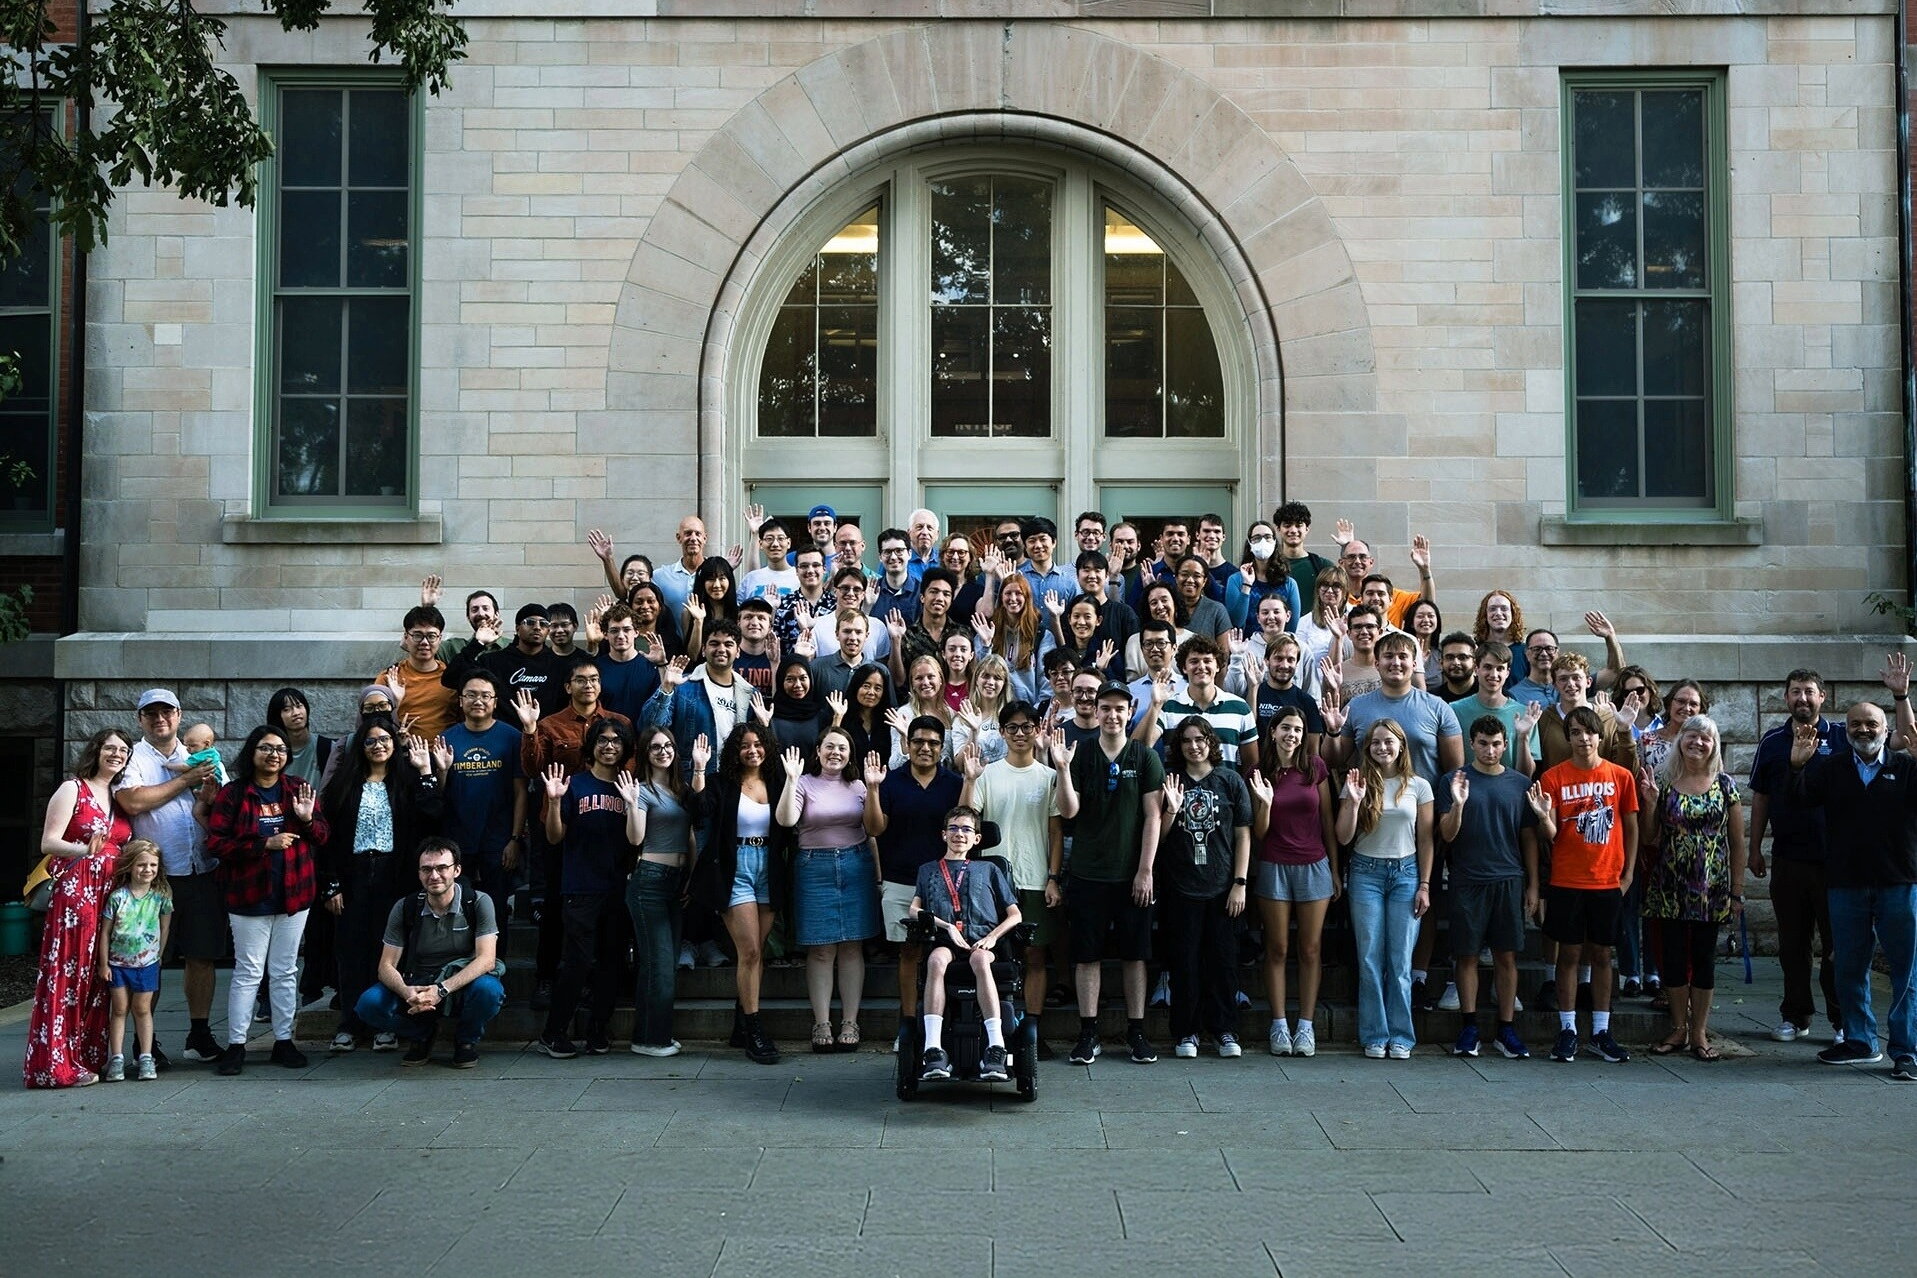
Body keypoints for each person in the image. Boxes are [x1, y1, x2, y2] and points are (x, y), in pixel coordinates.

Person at [1788, 655, 1917, 1077]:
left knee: (1905, 968)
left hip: (1899, 883)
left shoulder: (1905, 767)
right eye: (1855, 725)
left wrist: (1901, 695)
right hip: (1845, 885)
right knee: (1848, 965)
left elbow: (1911, 737)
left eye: (1872, 725)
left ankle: (1906, 1050)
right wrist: (1798, 764)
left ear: (1886, 731)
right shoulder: (1831, 768)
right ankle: (1861, 1041)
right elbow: (1802, 801)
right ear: (1845, 731)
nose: (1863, 730)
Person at [203, 724, 330, 1076]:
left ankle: (284, 1041)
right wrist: (263, 845)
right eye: (265, 748)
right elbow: (215, 844)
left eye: (280, 749)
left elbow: (322, 835)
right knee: (248, 971)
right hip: (248, 898)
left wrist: (305, 819)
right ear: (252, 752)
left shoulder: (298, 790)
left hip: (295, 894)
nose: (274, 754)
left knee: (285, 970)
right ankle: (237, 1045)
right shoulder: (233, 794)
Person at [318, 716, 443, 1052]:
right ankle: (350, 1022)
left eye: (385, 739)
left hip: (394, 873)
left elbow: (433, 816)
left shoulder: (404, 782)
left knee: (388, 949)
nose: (379, 746)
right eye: (371, 741)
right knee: (350, 949)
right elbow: (327, 838)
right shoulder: (345, 785)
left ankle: (383, 1023)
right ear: (361, 746)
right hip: (353, 873)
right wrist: (331, 883)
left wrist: (426, 771)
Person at [960, 701, 1076, 1055]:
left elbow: (1057, 832)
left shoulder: (1048, 775)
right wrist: (969, 778)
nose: (1020, 734)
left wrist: (1053, 878)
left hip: (1035, 879)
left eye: (1027, 727)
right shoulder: (989, 773)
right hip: (991, 885)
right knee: (992, 957)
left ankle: (1032, 1029)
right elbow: (966, 816)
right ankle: (995, 1028)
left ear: (1037, 729)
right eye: (1012, 727)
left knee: (1036, 956)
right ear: (1003, 732)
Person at [519, 656, 634, 1010]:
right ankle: (546, 978)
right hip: (559, 826)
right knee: (554, 906)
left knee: (609, 910)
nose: (588, 685)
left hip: (605, 828)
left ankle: (599, 981)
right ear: (568, 686)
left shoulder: (619, 724)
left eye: (594, 679)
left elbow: (628, 772)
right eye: (581, 679)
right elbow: (532, 767)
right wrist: (529, 730)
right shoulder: (550, 725)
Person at [25, 728, 137, 1089]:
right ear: (96, 751)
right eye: (110, 748)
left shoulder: (119, 797)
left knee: (98, 979)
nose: (117, 754)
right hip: (76, 896)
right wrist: (85, 850)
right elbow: (49, 842)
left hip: (109, 896)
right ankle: (54, 1066)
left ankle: (87, 1056)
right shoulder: (73, 788)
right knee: (68, 977)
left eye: (123, 750)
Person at [114, 689, 222, 1065]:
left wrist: (210, 791)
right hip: (154, 879)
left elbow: (222, 797)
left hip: (201, 869)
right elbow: (132, 801)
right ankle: (147, 1042)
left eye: (167, 712)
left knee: (202, 956)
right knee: (149, 960)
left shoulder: (196, 751)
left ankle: (200, 1033)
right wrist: (185, 780)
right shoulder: (135, 757)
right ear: (140, 719)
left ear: (178, 715)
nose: (160, 719)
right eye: (151, 713)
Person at [1065, 681, 1166, 1066]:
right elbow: (1068, 812)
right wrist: (1060, 767)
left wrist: (1145, 870)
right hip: (1088, 871)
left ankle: (1136, 1031)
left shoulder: (1144, 757)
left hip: (1130, 874)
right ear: (1095, 709)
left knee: (1135, 955)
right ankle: (1087, 1033)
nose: (1111, 715)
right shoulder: (1081, 754)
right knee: (1087, 956)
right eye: (1104, 707)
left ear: (1130, 710)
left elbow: (1153, 816)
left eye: (1118, 709)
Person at [1533, 706, 1639, 1065]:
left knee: (1603, 955)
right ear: (1568, 737)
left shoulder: (1620, 776)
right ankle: (1567, 1030)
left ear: (1600, 736)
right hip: (1567, 880)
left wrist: (1627, 875)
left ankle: (1600, 1030)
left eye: (1589, 732)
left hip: (1607, 881)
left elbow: (1632, 825)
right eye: (1576, 732)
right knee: (1569, 955)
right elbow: (1550, 834)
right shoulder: (1553, 778)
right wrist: (1543, 815)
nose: (1583, 739)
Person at [1639, 715, 1745, 1061]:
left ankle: (1699, 1030)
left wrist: (1737, 891)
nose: (1698, 742)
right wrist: (1651, 802)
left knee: (1704, 959)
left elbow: (1737, 843)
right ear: (1680, 740)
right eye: (1691, 736)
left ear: (1714, 745)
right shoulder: (1665, 782)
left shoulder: (1725, 784)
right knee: (1672, 958)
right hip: (1669, 885)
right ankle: (1678, 1027)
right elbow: (1651, 836)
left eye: (1706, 737)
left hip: (1711, 888)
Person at [1749, 668, 1845, 1044]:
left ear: (1822, 696)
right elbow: (1760, 797)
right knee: (1792, 944)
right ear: (1785, 699)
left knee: (1838, 946)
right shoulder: (1772, 742)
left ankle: (1843, 1022)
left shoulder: (1841, 737)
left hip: (1836, 862)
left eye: (1809, 692)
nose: (1802, 699)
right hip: (1789, 858)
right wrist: (1755, 848)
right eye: (1795, 693)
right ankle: (1795, 1016)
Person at [1434, 717, 1540, 1061]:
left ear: (1505, 744)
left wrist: (1533, 885)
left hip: (1508, 879)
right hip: (1467, 879)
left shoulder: (1520, 784)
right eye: (1483, 743)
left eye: (1496, 744)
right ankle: (1469, 1026)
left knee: (1506, 956)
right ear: (1471, 743)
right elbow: (1446, 835)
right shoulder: (1453, 780)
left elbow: (1528, 839)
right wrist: (1459, 804)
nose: (1490, 750)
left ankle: (1506, 1028)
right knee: (1465, 955)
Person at [688, 723, 792, 1064]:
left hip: (769, 868)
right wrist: (700, 768)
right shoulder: (722, 783)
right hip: (735, 867)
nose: (752, 750)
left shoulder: (777, 782)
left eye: (758, 744)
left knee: (757, 952)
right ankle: (755, 1030)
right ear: (735, 750)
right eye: (745, 745)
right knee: (748, 952)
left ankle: (740, 1023)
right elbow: (699, 810)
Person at [536, 717, 638, 1057]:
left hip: (617, 887)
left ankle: (598, 1029)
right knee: (577, 961)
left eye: (616, 741)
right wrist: (553, 803)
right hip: (580, 887)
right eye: (603, 740)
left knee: (612, 961)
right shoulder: (574, 784)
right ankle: (554, 1031)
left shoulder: (630, 786)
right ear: (591, 746)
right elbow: (554, 836)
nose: (610, 746)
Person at [355, 837, 505, 1067]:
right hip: (417, 981)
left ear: (457, 870)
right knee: (369, 1004)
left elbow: (486, 960)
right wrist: (406, 992)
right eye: (426, 869)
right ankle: (421, 1034)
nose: (434, 876)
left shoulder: (477, 902)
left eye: (442, 868)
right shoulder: (406, 907)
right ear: (418, 873)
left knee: (489, 991)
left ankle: (465, 1040)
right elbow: (385, 967)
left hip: (460, 982)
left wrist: (442, 990)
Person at [1336, 719, 1434, 1059]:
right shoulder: (1357, 782)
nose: (1382, 748)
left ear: (1401, 745)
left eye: (1388, 742)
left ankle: (1402, 1036)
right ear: (1367, 748)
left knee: (1400, 960)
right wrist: (1352, 801)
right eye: (1375, 742)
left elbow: (1425, 839)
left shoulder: (1419, 786)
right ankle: (1375, 1034)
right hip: (1366, 873)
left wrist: (1424, 883)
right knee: (1369, 957)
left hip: (1406, 874)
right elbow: (1343, 837)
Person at [778, 727, 880, 1052]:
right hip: (814, 868)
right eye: (830, 746)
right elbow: (785, 820)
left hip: (856, 864)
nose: (836, 752)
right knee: (821, 949)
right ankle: (821, 1022)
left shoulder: (859, 785)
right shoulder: (804, 782)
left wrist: (878, 876)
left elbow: (872, 831)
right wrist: (791, 780)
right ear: (818, 750)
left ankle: (850, 1021)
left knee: (852, 946)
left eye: (843, 747)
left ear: (851, 754)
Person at [1157, 717, 1254, 1058]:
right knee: (1185, 963)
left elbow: (1243, 834)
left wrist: (1240, 883)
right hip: (1181, 887)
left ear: (1211, 742)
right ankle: (1186, 1032)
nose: (1193, 746)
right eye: (1186, 740)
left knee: (1223, 963)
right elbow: (1160, 837)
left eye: (1200, 739)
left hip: (1223, 887)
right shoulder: (1171, 780)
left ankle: (1224, 1030)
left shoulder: (1229, 781)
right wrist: (1170, 808)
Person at [866, 717, 963, 1042]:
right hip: (900, 880)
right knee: (908, 953)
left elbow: (966, 827)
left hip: (944, 884)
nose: (925, 748)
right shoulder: (891, 782)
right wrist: (874, 789)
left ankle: (941, 1026)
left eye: (933, 742)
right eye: (918, 741)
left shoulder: (953, 783)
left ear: (941, 747)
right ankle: (908, 1025)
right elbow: (874, 829)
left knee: (943, 955)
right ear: (906, 744)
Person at [912, 805, 1024, 1082]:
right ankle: (933, 1048)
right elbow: (914, 910)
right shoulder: (928, 871)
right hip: (946, 941)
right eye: (953, 828)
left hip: (983, 941)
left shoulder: (989, 869)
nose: (959, 833)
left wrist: (992, 937)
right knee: (936, 960)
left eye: (966, 829)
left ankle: (995, 1047)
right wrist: (946, 925)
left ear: (976, 838)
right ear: (943, 834)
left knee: (979, 960)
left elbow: (1015, 914)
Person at [1248, 706, 1336, 1057]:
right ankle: (1280, 1023)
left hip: (1314, 864)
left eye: (1298, 729)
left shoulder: (1315, 767)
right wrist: (1266, 805)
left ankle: (1306, 1025)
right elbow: (1258, 832)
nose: (1293, 735)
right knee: (1278, 948)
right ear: (1272, 731)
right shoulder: (1259, 771)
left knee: (1311, 948)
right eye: (1286, 728)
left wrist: (1335, 867)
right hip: (1274, 865)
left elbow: (1328, 819)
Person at [619, 728, 709, 1057]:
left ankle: (646, 1036)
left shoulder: (681, 790)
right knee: (658, 963)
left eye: (668, 745)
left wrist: (691, 876)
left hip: (677, 879)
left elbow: (692, 832)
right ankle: (653, 1039)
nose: (663, 751)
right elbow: (635, 838)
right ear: (645, 753)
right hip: (650, 880)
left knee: (661, 963)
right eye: (656, 747)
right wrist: (630, 805)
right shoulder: (641, 790)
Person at [437, 671, 525, 960]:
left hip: (498, 840)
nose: (478, 700)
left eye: (485, 695)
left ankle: (494, 969)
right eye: (471, 695)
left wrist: (515, 838)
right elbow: (436, 794)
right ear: (461, 700)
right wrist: (442, 770)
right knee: (457, 907)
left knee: (496, 907)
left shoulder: (511, 737)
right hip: (457, 840)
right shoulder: (446, 738)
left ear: (495, 701)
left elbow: (521, 791)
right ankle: (459, 971)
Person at [95, 839, 171, 1082]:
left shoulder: (161, 897)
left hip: (147, 963)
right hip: (118, 964)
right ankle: (116, 1058)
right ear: (129, 866)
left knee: (142, 1009)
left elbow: (164, 927)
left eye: (152, 865)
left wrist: (158, 956)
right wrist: (104, 963)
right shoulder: (118, 897)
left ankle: (146, 1057)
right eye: (141, 865)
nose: (147, 870)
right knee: (118, 1009)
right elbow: (105, 932)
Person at [1136, 635, 1258, 773]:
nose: (1201, 666)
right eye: (1194, 661)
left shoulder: (1240, 708)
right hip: (1178, 792)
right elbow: (1140, 748)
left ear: (1217, 666)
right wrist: (1155, 705)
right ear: (1184, 668)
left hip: (1226, 792)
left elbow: (1251, 766)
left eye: (1207, 661)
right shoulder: (1168, 706)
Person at [642, 624, 749, 779]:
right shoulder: (683, 685)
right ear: (703, 650)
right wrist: (666, 688)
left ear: (738, 651)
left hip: (733, 780)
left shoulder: (749, 693)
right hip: (689, 779)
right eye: (714, 643)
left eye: (728, 644)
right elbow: (651, 728)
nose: (721, 649)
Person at [444, 603, 572, 716]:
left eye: (543, 624)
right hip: (504, 736)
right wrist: (478, 644)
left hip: (547, 738)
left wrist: (592, 646)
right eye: (530, 622)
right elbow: (450, 678)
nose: (537, 627)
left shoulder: (560, 665)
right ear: (517, 628)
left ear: (548, 630)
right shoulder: (493, 661)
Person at [1446, 642, 1542, 775]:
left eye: (1500, 669)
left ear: (1508, 672)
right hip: (1467, 791)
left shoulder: (1524, 714)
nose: (1494, 674)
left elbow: (1526, 775)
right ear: (1476, 669)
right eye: (1487, 667)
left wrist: (1523, 736)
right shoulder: (1454, 710)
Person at [375, 606, 459, 740]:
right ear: (406, 637)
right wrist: (395, 702)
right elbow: (374, 724)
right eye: (418, 635)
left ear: (440, 639)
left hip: (446, 754)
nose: (424, 642)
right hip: (403, 754)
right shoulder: (389, 678)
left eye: (431, 636)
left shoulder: (453, 677)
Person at [976, 571, 1054, 705]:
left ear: (1027, 597)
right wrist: (986, 645)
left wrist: (1036, 712)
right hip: (994, 709)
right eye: (1007, 593)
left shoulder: (1041, 635)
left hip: (1029, 711)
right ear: (1001, 598)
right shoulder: (988, 631)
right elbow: (980, 673)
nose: (1013, 598)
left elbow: (1046, 681)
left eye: (1018, 593)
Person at [1337, 535, 1433, 628]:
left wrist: (1424, 570)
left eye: (1362, 557)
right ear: (1341, 563)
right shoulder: (1336, 597)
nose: (1357, 561)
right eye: (1351, 557)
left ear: (1371, 562)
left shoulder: (1391, 596)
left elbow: (1427, 603)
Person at [1224, 520, 1301, 633]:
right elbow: (1237, 623)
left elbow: (1292, 627)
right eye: (1256, 538)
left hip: (1279, 647)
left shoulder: (1289, 584)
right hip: (1247, 646)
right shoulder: (1236, 580)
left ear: (1274, 542)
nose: (1262, 541)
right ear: (1250, 544)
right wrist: (1246, 585)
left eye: (1267, 537)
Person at [590, 603, 662, 723]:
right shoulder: (596, 669)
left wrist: (662, 665)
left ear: (636, 632)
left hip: (643, 737)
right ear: (605, 635)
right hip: (608, 737)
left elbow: (662, 708)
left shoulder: (651, 666)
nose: (621, 636)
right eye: (614, 631)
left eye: (627, 630)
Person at [1272, 501, 1337, 606]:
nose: (1293, 530)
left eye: (1298, 525)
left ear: (1307, 529)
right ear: (1278, 529)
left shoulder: (1323, 566)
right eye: (1287, 525)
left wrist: (1346, 547)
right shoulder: (1269, 565)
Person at [1124, 581, 1192, 681]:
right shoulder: (1135, 641)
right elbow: (1132, 682)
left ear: (1175, 604)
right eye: (1154, 603)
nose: (1160, 607)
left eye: (1164, 600)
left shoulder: (1191, 640)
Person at [681, 555, 741, 655]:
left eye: (722, 578)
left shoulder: (739, 613)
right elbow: (692, 656)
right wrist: (698, 622)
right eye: (711, 579)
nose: (716, 585)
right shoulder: (688, 613)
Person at [653, 514, 710, 617]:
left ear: (705, 538)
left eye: (698, 534)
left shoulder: (714, 575)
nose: (693, 538)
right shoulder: (660, 576)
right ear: (679, 538)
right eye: (688, 533)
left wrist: (727, 569)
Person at [1471, 590, 1531, 686]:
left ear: (1513, 614)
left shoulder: (1526, 652)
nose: (1498, 613)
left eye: (1504, 608)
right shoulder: (1474, 650)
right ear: (1485, 615)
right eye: (1492, 609)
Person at [1169, 555, 1232, 641]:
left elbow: (1224, 652)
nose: (1190, 580)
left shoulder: (1217, 610)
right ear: (1176, 578)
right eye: (1184, 574)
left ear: (1204, 581)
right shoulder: (1167, 608)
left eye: (1197, 576)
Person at [872, 528, 921, 626]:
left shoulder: (921, 591)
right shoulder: (871, 591)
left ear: (909, 554)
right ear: (880, 557)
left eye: (899, 551)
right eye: (887, 552)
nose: (893, 557)